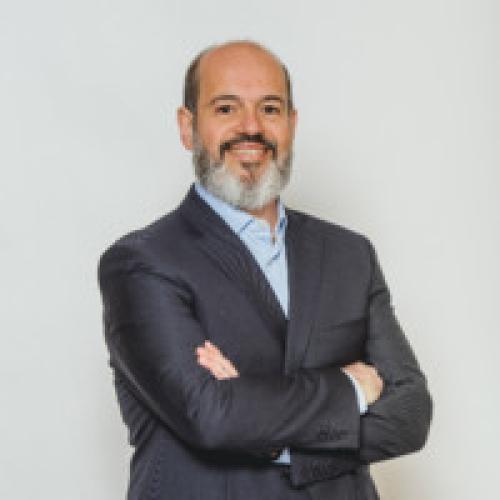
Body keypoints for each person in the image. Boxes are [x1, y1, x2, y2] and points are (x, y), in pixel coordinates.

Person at [98, 40, 432, 500]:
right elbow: (210, 416)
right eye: (226, 108)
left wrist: (255, 420)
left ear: (291, 124)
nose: (251, 127)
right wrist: (349, 389)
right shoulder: (142, 263)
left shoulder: (350, 255)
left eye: (269, 109)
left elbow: (411, 414)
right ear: (187, 127)